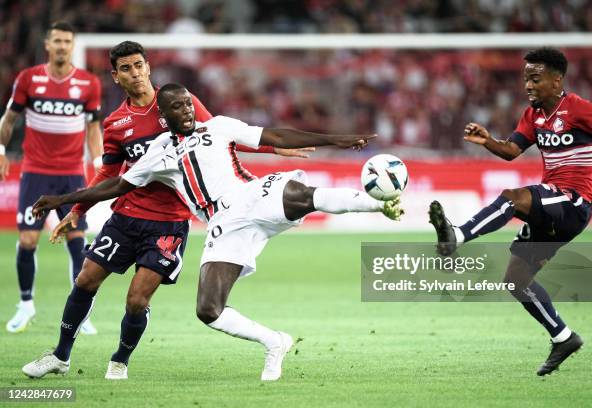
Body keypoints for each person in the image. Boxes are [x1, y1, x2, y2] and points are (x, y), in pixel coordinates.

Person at [27, 83, 404, 381]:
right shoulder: (158, 153)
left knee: (300, 194)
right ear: (164, 114)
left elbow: (276, 135)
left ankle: (379, 204)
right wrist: (63, 199)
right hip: (222, 223)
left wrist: (334, 140)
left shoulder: (220, 126)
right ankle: (275, 342)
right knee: (208, 310)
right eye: (178, 107)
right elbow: (114, 186)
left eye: (190, 104)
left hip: (251, 194)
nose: (187, 111)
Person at [20, 41, 313, 381]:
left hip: (168, 223)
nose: (136, 73)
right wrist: (77, 209)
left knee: (136, 300)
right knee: (85, 279)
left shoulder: (178, 103)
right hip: (126, 215)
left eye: (139, 65)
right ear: (116, 77)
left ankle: (120, 361)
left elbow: (218, 133)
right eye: (126, 68)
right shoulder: (116, 124)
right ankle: (60, 355)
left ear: (148, 67)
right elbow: (109, 174)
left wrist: (274, 146)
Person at [428, 47, 592, 376]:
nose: (528, 85)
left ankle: (457, 236)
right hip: (553, 205)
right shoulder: (534, 115)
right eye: (526, 78)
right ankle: (563, 337)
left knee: (512, 198)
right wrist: (488, 141)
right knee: (516, 279)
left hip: (574, 201)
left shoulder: (579, 109)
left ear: (557, 81)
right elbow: (512, 151)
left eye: (535, 79)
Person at [0, 21, 103, 334]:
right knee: (28, 240)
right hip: (35, 172)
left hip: (72, 175)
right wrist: (1, 150)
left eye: (67, 41)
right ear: (47, 44)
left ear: (73, 45)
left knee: (77, 243)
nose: (62, 46)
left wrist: (98, 161)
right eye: (57, 40)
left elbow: (93, 128)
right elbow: (10, 118)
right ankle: (26, 304)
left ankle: (79, 312)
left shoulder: (88, 83)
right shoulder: (29, 79)